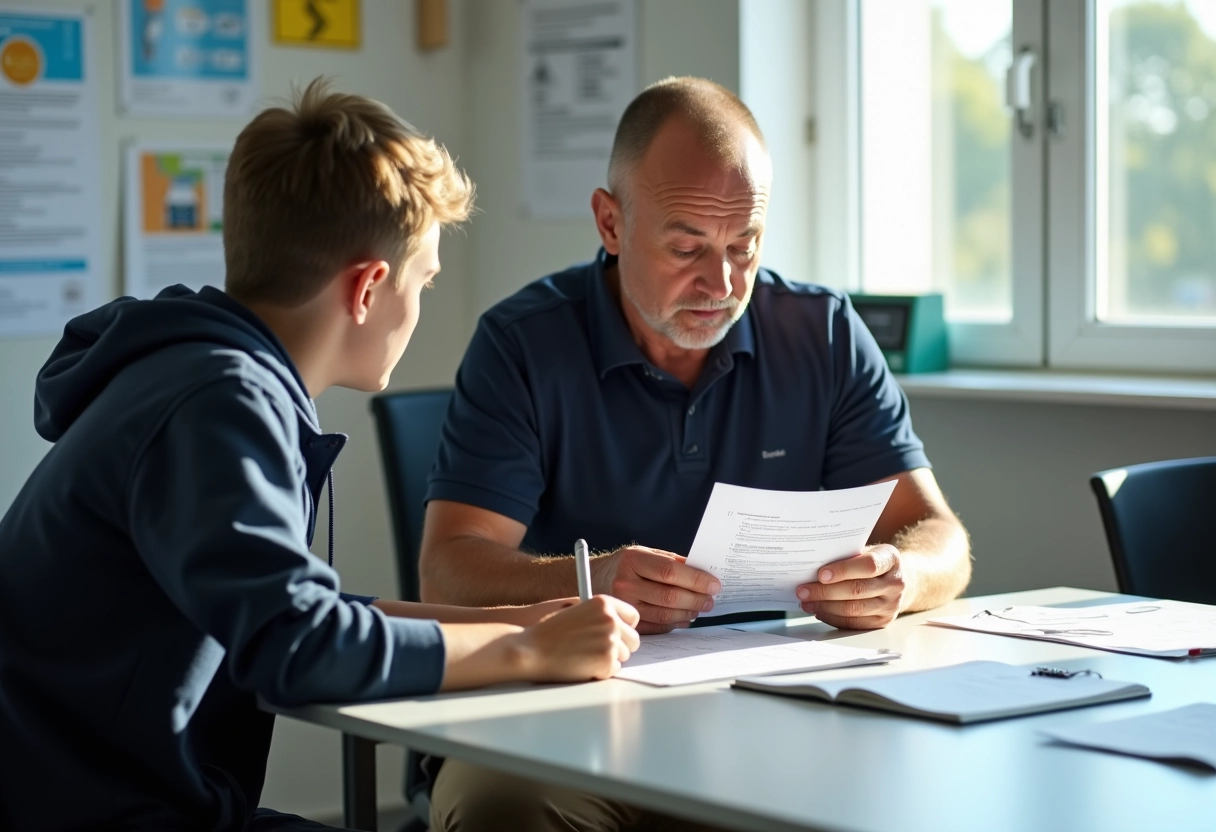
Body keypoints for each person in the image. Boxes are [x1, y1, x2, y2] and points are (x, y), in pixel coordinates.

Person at [0, 79, 639, 832]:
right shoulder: (222, 403)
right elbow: (298, 645)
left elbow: (300, 612)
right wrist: (527, 654)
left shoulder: (194, 370)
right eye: (424, 281)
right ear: (369, 287)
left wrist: (522, 621)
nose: (421, 305)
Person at [420, 77, 972, 831]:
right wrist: (594, 580)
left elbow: (941, 537)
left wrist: (900, 576)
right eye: (686, 247)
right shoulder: (522, 345)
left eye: (744, 246)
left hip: (775, 702)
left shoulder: (824, 333)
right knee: (501, 810)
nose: (721, 283)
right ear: (610, 223)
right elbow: (449, 563)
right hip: (564, 700)